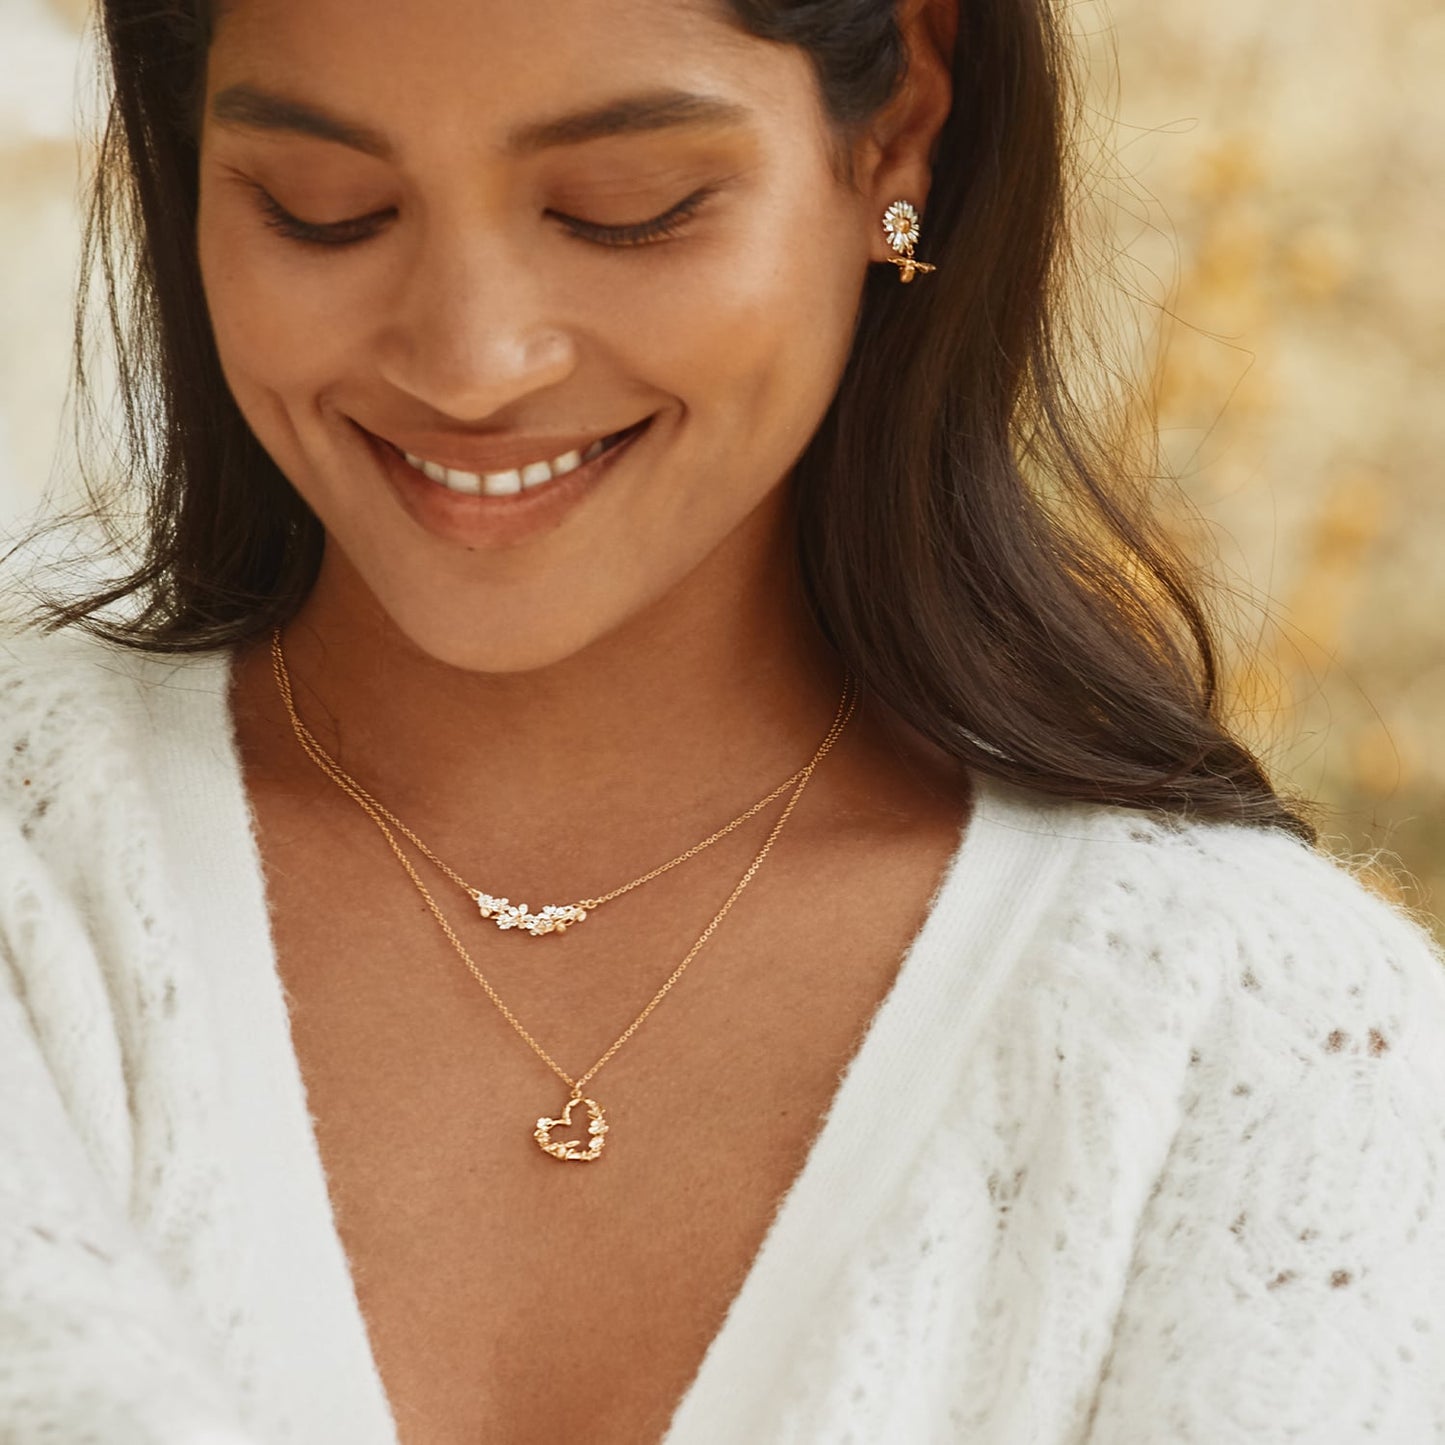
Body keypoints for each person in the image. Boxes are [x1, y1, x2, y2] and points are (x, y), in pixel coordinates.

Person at [3, 0, 1443, 1440]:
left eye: (625, 209)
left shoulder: (1271, 1046)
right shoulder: (33, 872)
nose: (469, 357)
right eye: (328, 211)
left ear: (897, 130)